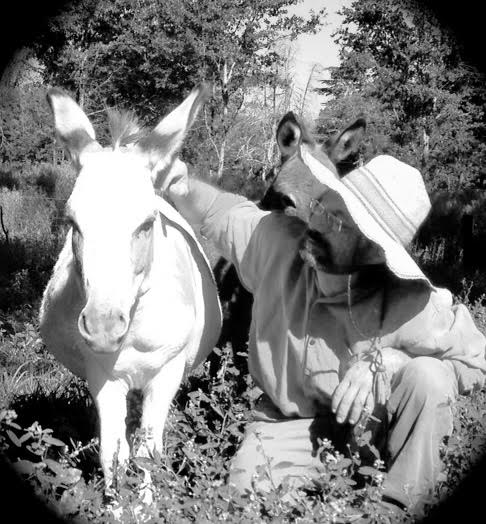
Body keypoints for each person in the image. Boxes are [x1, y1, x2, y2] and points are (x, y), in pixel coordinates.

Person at [162, 147, 486, 513]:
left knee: (429, 377)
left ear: (375, 252)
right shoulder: (278, 243)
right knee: (242, 502)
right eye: (322, 207)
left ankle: (398, 507)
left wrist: (393, 360)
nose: (317, 223)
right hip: (288, 425)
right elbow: (219, 211)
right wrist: (179, 184)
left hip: (373, 428)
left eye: (339, 222)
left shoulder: (411, 305)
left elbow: (477, 365)